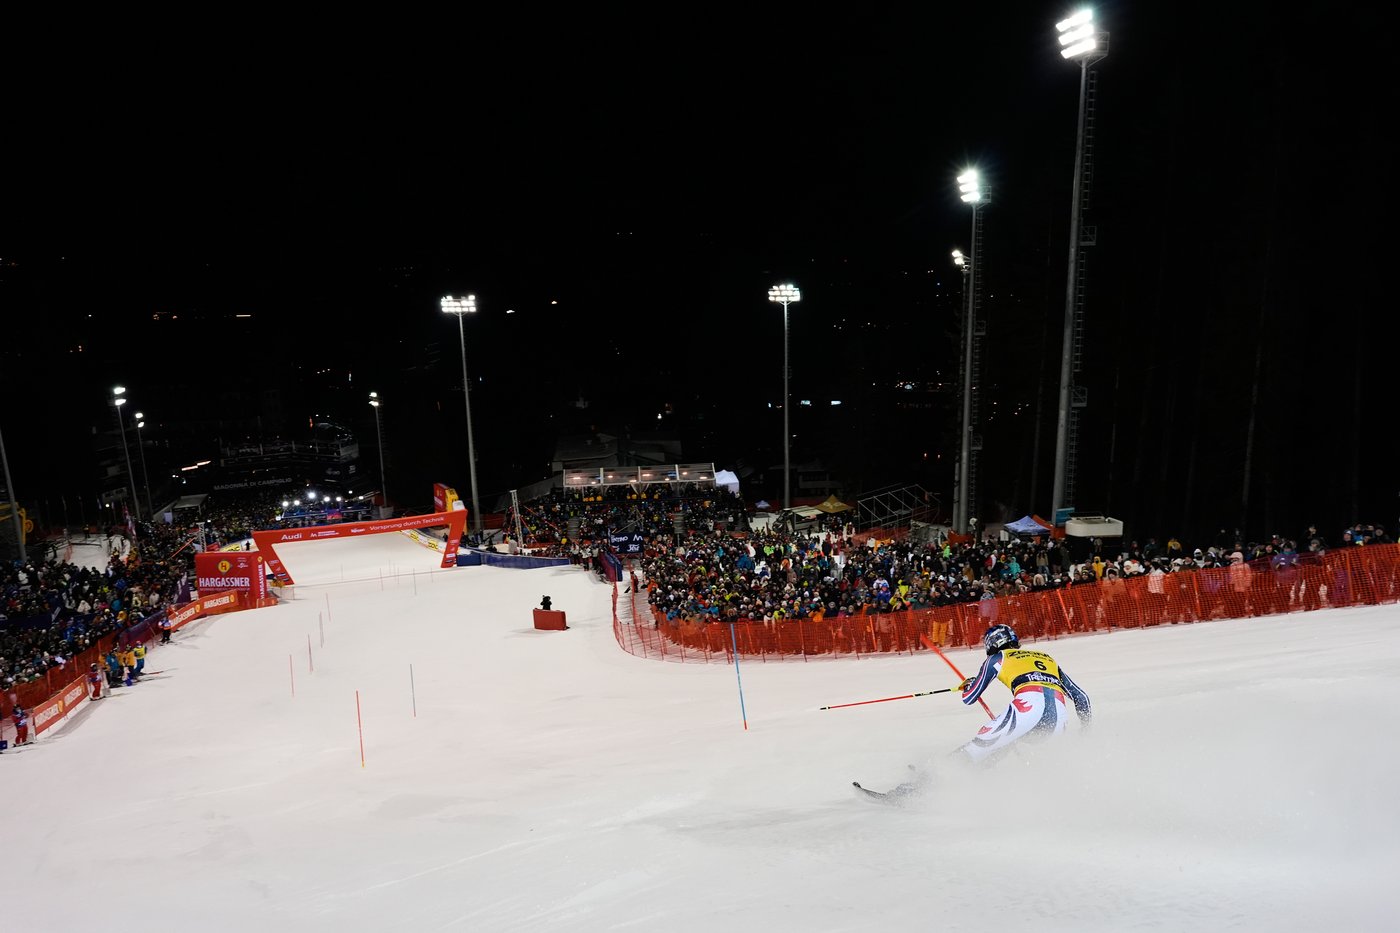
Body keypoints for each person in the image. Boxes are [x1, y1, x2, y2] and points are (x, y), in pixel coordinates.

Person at [955, 624, 1091, 765]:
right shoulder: (1047, 658)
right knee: (1010, 743)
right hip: (1058, 718)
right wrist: (1086, 731)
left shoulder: (997, 658)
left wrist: (967, 686)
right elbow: (1081, 697)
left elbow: (969, 697)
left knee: (981, 744)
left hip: (1027, 709)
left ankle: (946, 772)